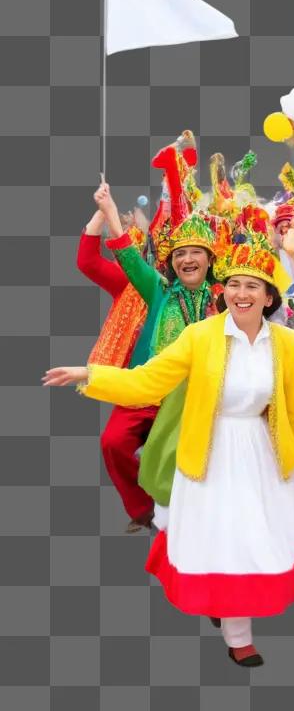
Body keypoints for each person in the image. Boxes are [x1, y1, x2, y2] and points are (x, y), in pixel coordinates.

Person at [44, 233, 294, 668]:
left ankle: (239, 618)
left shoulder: (285, 344)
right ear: (224, 292)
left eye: (253, 286)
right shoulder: (200, 336)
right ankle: (239, 636)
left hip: (261, 455)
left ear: (269, 295)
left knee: (256, 541)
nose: (242, 293)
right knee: (224, 542)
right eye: (234, 284)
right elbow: (148, 380)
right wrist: (91, 373)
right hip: (211, 454)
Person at [93, 184, 221, 519]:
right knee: (112, 442)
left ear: (210, 259)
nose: (187, 259)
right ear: (172, 263)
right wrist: (109, 211)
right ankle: (141, 508)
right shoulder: (159, 291)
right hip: (148, 391)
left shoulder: (225, 299)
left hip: (198, 397)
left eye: (195, 252)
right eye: (180, 254)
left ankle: (195, 513)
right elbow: (130, 259)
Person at [77, 207, 155, 530]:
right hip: (136, 389)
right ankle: (144, 508)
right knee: (113, 442)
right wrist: (99, 214)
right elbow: (88, 262)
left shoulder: (189, 284)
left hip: (179, 389)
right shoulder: (130, 283)